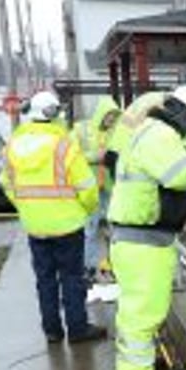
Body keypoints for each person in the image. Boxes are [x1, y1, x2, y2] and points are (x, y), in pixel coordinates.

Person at [107, 85, 186, 370]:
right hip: (142, 239)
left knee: (139, 305)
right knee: (144, 308)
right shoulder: (162, 137)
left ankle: (140, 362)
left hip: (136, 236)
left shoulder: (151, 130)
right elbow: (179, 174)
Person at [0, 91, 108, 344]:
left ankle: (52, 331)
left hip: (35, 226)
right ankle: (78, 329)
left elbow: (6, 184)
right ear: (54, 114)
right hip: (67, 225)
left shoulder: (13, 145)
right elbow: (86, 187)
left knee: (44, 279)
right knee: (72, 278)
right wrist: (87, 209)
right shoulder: (63, 145)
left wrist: (27, 208)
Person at [72, 96, 122, 283]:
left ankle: (115, 267)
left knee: (115, 229)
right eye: (109, 116)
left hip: (110, 187)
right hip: (89, 189)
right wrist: (96, 156)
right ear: (100, 114)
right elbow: (71, 156)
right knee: (89, 230)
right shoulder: (81, 129)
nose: (111, 120)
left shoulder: (116, 132)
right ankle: (89, 268)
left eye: (114, 116)